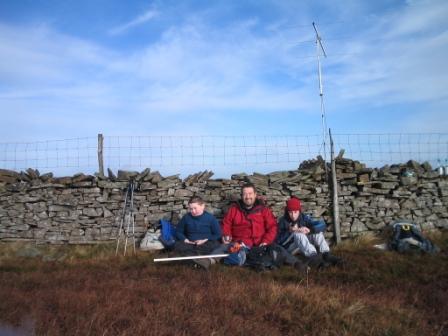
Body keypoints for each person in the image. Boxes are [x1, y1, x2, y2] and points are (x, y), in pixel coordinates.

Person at [220, 183, 308, 273]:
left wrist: (266, 241)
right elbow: (226, 224)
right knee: (227, 250)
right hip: (241, 244)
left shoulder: (263, 209)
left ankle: (298, 264)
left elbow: (272, 227)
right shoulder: (234, 210)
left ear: (255, 194)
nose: (248, 196)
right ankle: (261, 265)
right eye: (245, 194)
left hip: (261, 244)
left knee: (278, 249)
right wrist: (226, 235)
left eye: (250, 193)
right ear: (241, 196)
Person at [277, 196, 342, 268]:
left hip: (303, 245)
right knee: (298, 234)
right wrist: (290, 231)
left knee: (317, 233)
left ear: (299, 211)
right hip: (290, 248)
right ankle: (314, 258)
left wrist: (310, 230)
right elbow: (278, 242)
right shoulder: (282, 221)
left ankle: (326, 254)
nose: (293, 215)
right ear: (287, 211)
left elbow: (322, 224)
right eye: (290, 212)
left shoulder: (303, 218)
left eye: (295, 212)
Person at [174, 196, 222, 269]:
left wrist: (205, 240)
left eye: (195, 208)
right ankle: (198, 259)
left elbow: (218, 234)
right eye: (191, 209)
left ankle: (191, 258)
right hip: (190, 243)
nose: (193, 211)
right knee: (177, 245)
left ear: (202, 206)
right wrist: (185, 240)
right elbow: (178, 231)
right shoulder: (186, 218)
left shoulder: (211, 218)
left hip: (206, 243)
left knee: (215, 245)